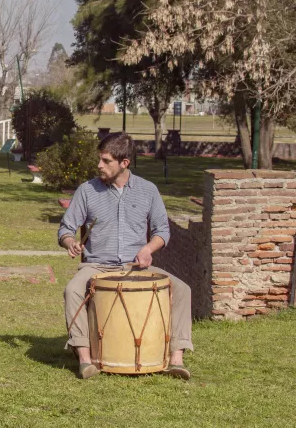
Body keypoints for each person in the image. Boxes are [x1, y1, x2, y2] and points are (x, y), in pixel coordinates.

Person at [58, 132, 194, 380]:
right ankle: (85, 359)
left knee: (182, 289)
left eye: (106, 160)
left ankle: (176, 359)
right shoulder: (87, 191)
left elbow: (162, 231)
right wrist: (70, 242)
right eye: (99, 159)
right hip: (97, 265)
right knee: (72, 290)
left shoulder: (148, 190)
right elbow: (66, 229)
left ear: (124, 163)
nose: (99, 165)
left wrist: (148, 249)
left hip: (136, 267)